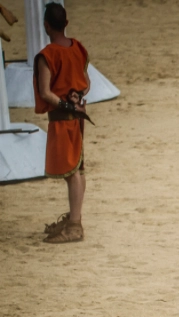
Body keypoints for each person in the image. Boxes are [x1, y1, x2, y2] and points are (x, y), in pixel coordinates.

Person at [33, 2, 90, 244]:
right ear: (65, 23)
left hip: (63, 119)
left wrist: (66, 104)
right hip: (77, 116)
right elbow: (86, 82)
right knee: (78, 168)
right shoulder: (77, 48)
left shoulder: (48, 55)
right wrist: (77, 98)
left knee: (72, 171)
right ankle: (73, 218)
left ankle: (75, 225)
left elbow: (46, 93)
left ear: (46, 25)